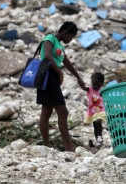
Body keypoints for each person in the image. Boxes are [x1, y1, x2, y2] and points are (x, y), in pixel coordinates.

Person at [37, 21, 86, 152]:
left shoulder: (59, 46)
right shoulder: (50, 39)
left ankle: (46, 146)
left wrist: (78, 77)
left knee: (47, 109)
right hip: (48, 75)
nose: (71, 40)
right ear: (65, 32)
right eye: (71, 36)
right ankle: (68, 146)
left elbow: (67, 62)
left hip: (53, 76)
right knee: (62, 111)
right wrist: (59, 73)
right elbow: (47, 56)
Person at [81, 72, 106, 147]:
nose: (95, 86)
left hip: (101, 111)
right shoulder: (90, 89)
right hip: (93, 111)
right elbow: (84, 88)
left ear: (101, 84)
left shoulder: (102, 90)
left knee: (99, 122)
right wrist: (82, 84)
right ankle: (98, 140)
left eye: (97, 85)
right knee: (95, 125)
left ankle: (100, 136)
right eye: (94, 84)